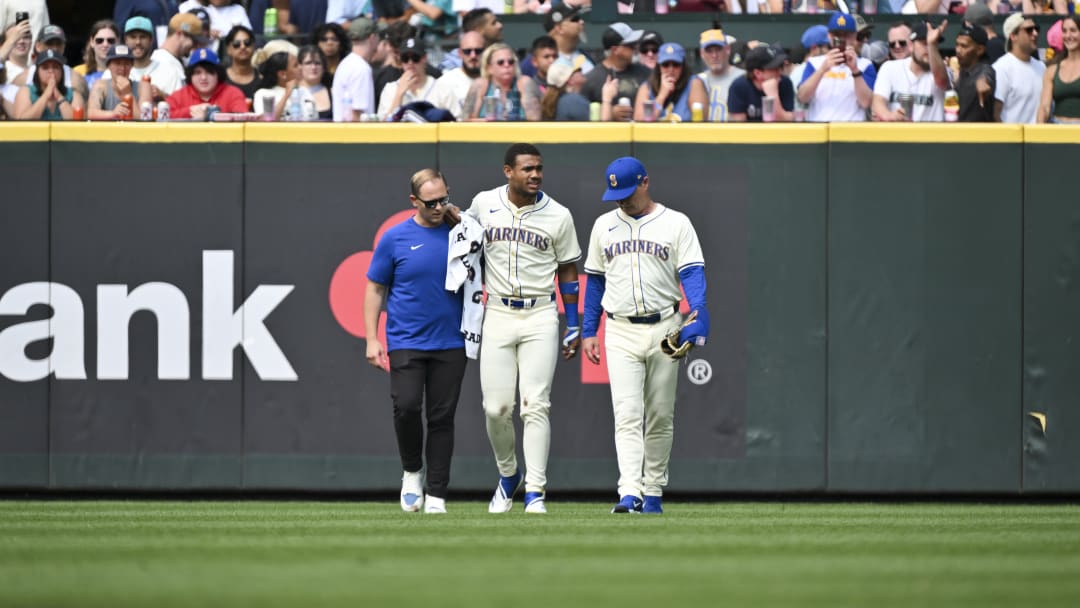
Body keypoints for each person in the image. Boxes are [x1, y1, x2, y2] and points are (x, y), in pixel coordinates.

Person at [447, 143, 582, 515]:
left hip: (540, 313)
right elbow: (465, 229)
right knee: (496, 408)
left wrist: (573, 322)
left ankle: (536, 490)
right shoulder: (485, 203)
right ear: (508, 171)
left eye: (538, 168)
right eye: (527, 169)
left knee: (535, 405)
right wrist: (449, 213)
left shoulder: (558, 214)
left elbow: (568, 269)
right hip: (498, 312)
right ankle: (509, 475)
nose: (535, 175)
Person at [581, 156, 708, 516]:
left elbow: (693, 272)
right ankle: (629, 492)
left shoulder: (676, 223)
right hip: (619, 328)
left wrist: (698, 310)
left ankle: (653, 490)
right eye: (615, 194)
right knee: (627, 413)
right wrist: (590, 329)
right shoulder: (604, 225)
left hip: (666, 325)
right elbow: (596, 282)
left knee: (660, 414)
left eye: (627, 192)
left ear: (645, 182)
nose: (621, 200)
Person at [363, 168, 467, 515]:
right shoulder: (395, 238)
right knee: (406, 406)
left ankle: (437, 492)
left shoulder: (461, 232)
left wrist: (462, 220)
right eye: (431, 202)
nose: (439, 207)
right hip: (406, 338)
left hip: (451, 340)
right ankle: (412, 471)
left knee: (442, 417)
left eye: (444, 199)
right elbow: (376, 287)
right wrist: (371, 338)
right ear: (414, 202)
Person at [797, 13, 877, 122]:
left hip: (851, 129)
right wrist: (822, 69)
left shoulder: (865, 64)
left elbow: (866, 102)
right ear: (829, 36)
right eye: (837, 35)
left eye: (846, 35)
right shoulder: (815, 63)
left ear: (854, 36)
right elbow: (802, 97)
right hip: (820, 128)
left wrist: (855, 70)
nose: (842, 39)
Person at [872, 22, 949, 122]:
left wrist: (931, 45)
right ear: (911, 46)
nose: (929, 49)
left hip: (930, 136)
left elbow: (941, 81)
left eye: (934, 44)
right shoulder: (889, 67)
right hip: (898, 134)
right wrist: (888, 115)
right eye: (924, 43)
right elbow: (878, 101)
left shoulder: (945, 70)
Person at [581, 22, 649, 122]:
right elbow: (582, 115)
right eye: (631, 45)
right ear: (615, 49)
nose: (636, 49)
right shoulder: (591, 79)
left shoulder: (645, 72)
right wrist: (609, 112)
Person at [463, 42, 541, 120]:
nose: (506, 65)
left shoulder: (524, 83)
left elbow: (535, 121)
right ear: (489, 68)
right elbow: (466, 122)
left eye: (510, 62)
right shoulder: (480, 85)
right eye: (500, 62)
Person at [166, 47, 246, 118]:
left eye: (209, 72)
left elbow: (242, 117)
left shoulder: (233, 94)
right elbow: (163, 117)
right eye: (198, 72)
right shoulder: (178, 97)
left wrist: (211, 115)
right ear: (190, 75)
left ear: (218, 74)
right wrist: (190, 111)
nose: (203, 77)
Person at [993, 13, 1045, 123]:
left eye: (1036, 29)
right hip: (1011, 139)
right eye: (1029, 30)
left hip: (1040, 138)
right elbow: (995, 113)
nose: (1035, 33)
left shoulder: (1041, 67)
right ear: (1013, 36)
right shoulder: (1001, 68)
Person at [688, 28, 744, 122]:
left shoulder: (742, 77)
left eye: (718, 50)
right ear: (702, 54)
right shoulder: (697, 80)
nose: (714, 55)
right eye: (709, 51)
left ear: (727, 50)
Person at [728, 45, 795, 121]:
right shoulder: (739, 87)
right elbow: (739, 128)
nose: (780, 71)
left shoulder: (785, 82)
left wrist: (773, 96)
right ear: (758, 73)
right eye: (774, 68)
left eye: (780, 67)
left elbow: (788, 122)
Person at [87, 44, 153, 120]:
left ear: (132, 65)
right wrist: (113, 114)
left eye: (126, 63)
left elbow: (144, 120)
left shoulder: (143, 87)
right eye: (117, 63)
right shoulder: (100, 85)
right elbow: (90, 114)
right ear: (108, 65)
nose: (122, 68)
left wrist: (127, 93)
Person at [428, 30, 483, 119]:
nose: (473, 55)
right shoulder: (445, 82)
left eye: (478, 51)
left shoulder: (494, 79)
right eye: (467, 51)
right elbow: (429, 116)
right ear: (460, 53)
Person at [13, 49, 82, 120]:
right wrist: (46, 96)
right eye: (45, 67)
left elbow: (78, 123)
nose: (51, 71)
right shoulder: (25, 92)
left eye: (55, 67)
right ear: (37, 72)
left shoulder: (74, 94)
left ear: (62, 71)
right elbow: (22, 122)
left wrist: (59, 97)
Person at [332, 16, 377, 121]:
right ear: (372, 38)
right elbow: (357, 115)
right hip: (354, 135)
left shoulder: (346, 63)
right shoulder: (361, 68)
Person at [378, 37, 437, 119]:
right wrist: (399, 94)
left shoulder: (439, 86)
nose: (410, 63)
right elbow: (384, 127)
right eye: (405, 58)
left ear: (424, 58)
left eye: (415, 58)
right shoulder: (390, 89)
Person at [634, 43, 692, 122]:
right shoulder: (647, 87)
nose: (670, 69)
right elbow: (642, 121)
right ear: (659, 67)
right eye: (665, 65)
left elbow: (701, 121)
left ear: (683, 67)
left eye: (676, 64)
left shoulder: (693, 83)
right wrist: (661, 95)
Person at [949, 25, 996, 122]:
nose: (958, 50)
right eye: (957, 45)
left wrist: (983, 82)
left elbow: (986, 75)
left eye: (964, 46)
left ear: (980, 50)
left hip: (979, 135)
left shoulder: (985, 69)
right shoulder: (961, 71)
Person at [1038, 16, 1080, 123]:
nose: (1068, 35)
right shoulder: (1052, 70)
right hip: (1057, 130)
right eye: (1064, 31)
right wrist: (1038, 130)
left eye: (1073, 30)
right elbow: (1044, 107)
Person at [74, 20, 120, 90]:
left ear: (118, 42)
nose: (105, 44)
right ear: (92, 42)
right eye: (99, 40)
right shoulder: (78, 72)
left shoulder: (127, 72)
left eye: (110, 40)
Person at [223, 25, 261, 100]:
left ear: (253, 46)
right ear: (228, 49)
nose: (243, 47)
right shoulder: (220, 78)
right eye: (236, 44)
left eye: (247, 42)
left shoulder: (262, 78)